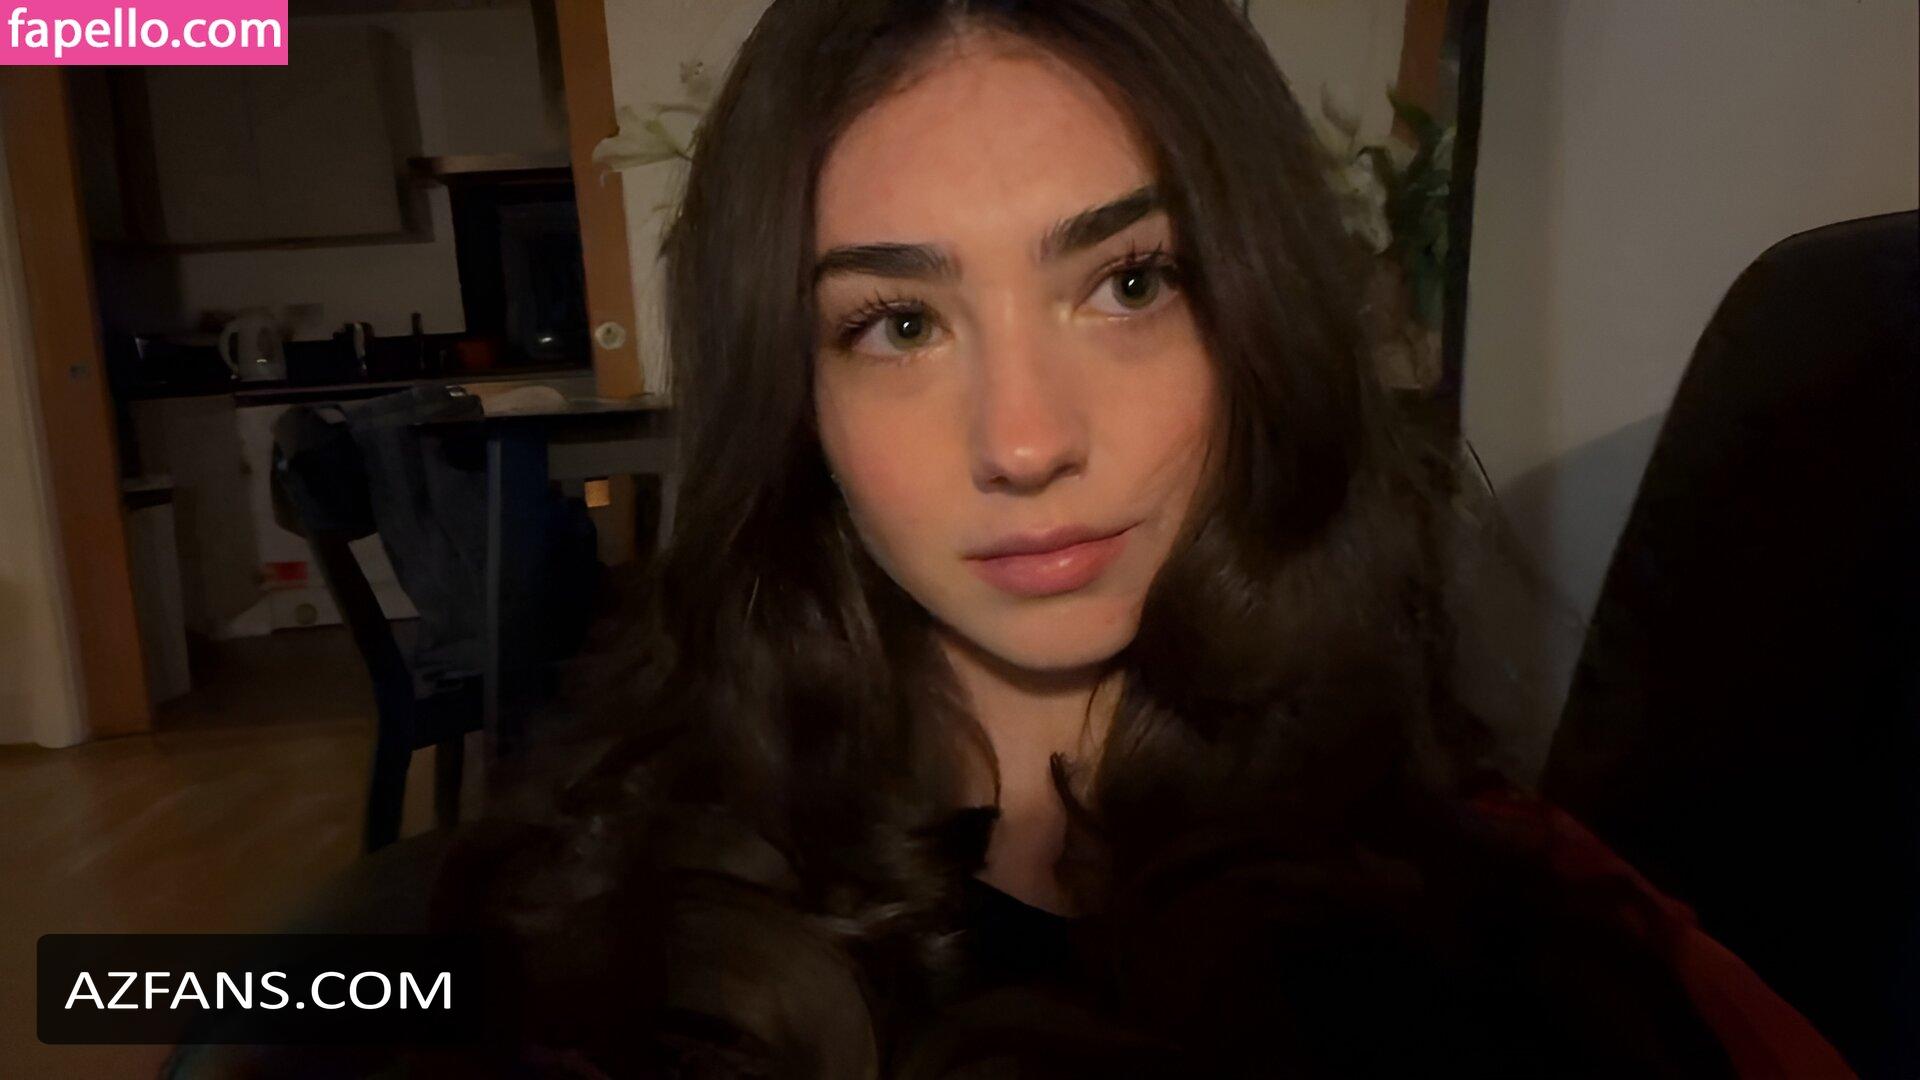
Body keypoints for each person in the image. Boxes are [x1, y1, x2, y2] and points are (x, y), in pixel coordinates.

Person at [168, 1, 1850, 1076]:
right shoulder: (556, 925)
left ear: (1258, 320)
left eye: (1129, 283)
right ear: (796, 399)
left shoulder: (1518, 932)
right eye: (899, 324)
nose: (1026, 440)